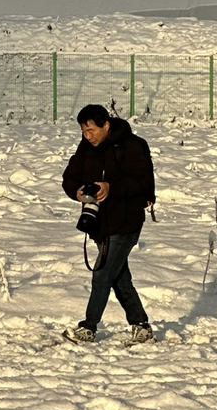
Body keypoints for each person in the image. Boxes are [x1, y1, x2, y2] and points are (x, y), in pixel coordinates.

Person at [60, 103, 156, 345]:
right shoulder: (86, 148)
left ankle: (88, 328)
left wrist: (111, 188)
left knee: (102, 274)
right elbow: (69, 177)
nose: (87, 136)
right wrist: (77, 191)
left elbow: (141, 183)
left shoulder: (131, 146)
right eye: (83, 131)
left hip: (126, 222)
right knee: (118, 276)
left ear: (106, 125)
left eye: (91, 130)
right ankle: (141, 326)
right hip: (98, 222)